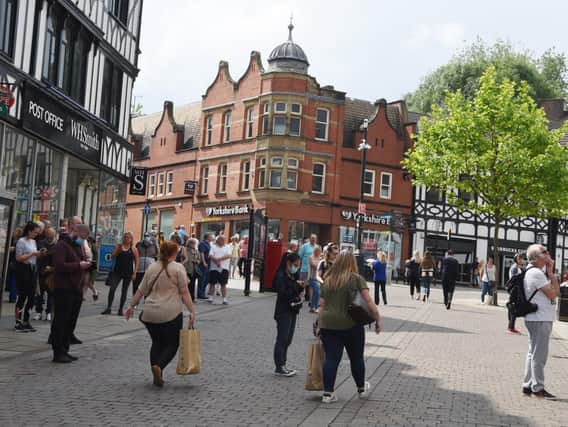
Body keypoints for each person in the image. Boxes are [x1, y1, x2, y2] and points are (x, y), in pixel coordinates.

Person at [125, 241, 196, 387]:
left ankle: (157, 375)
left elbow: (141, 290)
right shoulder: (178, 268)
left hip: (150, 313)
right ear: (174, 253)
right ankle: (159, 366)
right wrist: (192, 310)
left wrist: (131, 306)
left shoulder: (152, 267)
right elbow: (184, 292)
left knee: (157, 342)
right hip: (170, 312)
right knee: (172, 344)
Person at [316, 250, 381, 403]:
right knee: (356, 358)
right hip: (351, 324)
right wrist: (377, 318)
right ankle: (361, 389)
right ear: (353, 263)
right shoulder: (356, 279)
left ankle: (327, 393)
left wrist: (319, 325)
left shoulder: (328, 279)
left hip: (328, 324)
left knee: (331, 359)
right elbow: (369, 302)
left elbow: (322, 306)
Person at [521, 244, 560, 399]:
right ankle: (538, 387)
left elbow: (552, 293)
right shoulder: (536, 273)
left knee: (532, 352)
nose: (548, 253)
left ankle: (528, 384)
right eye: (545, 252)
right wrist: (552, 275)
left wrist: (550, 272)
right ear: (537, 257)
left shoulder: (532, 271)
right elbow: (554, 294)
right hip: (540, 318)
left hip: (536, 317)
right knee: (539, 354)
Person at [51, 224, 93, 363]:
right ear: (74, 232)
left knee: (71, 321)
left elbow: (79, 261)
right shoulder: (62, 245)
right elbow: (59, 265)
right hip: (63, 288)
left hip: (76, 288)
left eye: (85, 238)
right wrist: (78, 265)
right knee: (61, 320)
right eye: (82, 237)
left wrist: (86, 263)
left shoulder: (77, 246)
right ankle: (58, 352)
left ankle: (65, 349)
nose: (83, 240)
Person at [272, 252, 304, 377]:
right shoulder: (281, 276)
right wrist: (296, 285)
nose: (297, 268)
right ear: (288, 263)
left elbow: (295, 290)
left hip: (293, 310)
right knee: (282, 338)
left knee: (288, 339)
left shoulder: (293, 275)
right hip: (283, 311)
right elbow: (283, 293)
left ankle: (283, 364)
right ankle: (279, 366)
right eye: (295, 265)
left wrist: (300, 287)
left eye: (298, 265)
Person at [14, 221, 44, 332]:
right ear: (29, 231)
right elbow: (18, 258)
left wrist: (39, 254)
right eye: (35, 232)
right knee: (22, 296)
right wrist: (32, 254)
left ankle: (26, 320)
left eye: (38, 233)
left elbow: (35, 256)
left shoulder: (33, 241)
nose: (36, 234)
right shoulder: (21, 242)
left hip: (32, 269)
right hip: (23, 269)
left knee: (32, 297)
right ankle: (18, 322)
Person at [102, 232, 139, 316]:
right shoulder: (118, 246)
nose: (126, 239)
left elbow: (137, 262)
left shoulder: (133, 249)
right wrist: (118, 250)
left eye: (128, 237)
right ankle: (109, 308)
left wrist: (135, 273)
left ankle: (120, 309)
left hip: (128, 272)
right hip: (117, 271)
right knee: (112, 288)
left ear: (131, 239)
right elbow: (112, 256)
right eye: (125, 237)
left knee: (124, 291)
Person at [34, 227, 57, 321]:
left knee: (51, 293)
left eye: (51, 234)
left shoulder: (57, 244)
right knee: (40, 293)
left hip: (52, 272)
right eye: (48, 234)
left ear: (54, 235)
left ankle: (48, 312)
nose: (49, 236)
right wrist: (41, 253)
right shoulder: (41, 243)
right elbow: (37, 256)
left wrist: (52, 268)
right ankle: (38, 312)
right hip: (42, 271)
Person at [207, 235, 231, 305]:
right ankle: (210, 297)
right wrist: (216, 261)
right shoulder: (213, 246)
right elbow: (210, 255)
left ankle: (224, 299)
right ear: (217, 240)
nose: (222, 241)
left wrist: (218, 260)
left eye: (223, 239)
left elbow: (228, 255)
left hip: (224, 267)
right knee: (212, 283)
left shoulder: (227, 246)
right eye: (220, 240)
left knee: (223, 284)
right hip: (214, 268)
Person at [507, 253, 524, 334]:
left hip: (515, 289)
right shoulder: (515, 267)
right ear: (516, 259)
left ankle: (511, 326)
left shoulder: (517, 267)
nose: (521, 260)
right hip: (514, 289)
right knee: (513, 307)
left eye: (521, 258)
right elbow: (515, 279)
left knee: (512, 307)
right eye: (519, 258)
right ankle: (511, 327)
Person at [6, 227, 23, 303]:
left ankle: (13, 297)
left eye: (15, 231)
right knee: (11, 279)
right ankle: (13, 295)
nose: (13, 232)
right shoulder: (12, 239)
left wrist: (14, 248)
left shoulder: (18, 241)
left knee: (14, 280)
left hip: (15, 263)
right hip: (11, 262)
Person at [82, 235, 99, 301]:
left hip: (92, 267)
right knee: (86, 282)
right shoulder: (89, 246)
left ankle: (95, 292)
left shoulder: (93, 247)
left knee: (89, 282)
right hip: (88, 265)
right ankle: (83, 296)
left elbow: (93, 257)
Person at [197, 233, 213, 299]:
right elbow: (202, 253)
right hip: (204, 263)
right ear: (207, 237)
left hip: (209, 263)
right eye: (211, 237)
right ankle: (200, 294)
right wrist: (203, 262)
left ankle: (202, 292)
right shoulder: (202, 243)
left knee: (207, 279)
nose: (212, 238)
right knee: (202, 279)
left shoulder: (209, 244)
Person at [308, 245, 322, 313]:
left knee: (315, 293)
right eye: (317, 251)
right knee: (317, 292)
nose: (318, 252)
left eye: (319, 251)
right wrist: (320, 265)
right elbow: (314, 266)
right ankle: (316, 307)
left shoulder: (320, 258)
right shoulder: (311, 257)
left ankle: (312, 307)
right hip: (312, 277)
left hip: (318, 278)